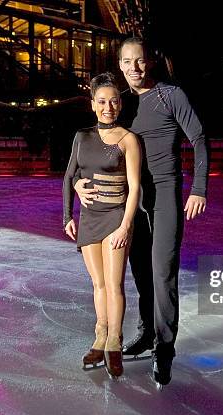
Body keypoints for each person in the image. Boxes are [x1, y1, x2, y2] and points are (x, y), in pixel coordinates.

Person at [74, 37, 209, 388]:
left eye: (140, 61)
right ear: (120, 66)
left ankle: (164, 350)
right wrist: (77, 184)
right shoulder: (122, 105)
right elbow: (95, 150)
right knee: (140, 273)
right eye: (128, 62)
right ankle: (147, 334)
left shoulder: (170, 95)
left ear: (149, 62)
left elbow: (199, 138)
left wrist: (198, 188)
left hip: (164, 197)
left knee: (163, 274)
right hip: (130, 203)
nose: (135, 68)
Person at [63, 72, 141, 379]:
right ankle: (100, 336)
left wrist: (125, 226)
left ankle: (114, 343)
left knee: (114, 284)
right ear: (93, 105)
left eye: (113, 101)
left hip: (115, 218)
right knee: (97, 284)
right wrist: (67, 215)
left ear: (120, 104)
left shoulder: (128, 139)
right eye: (101, 101)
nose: (108, 106)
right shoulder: (82, 137)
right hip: (89, 219)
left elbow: (135, 188)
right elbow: (69, 176)